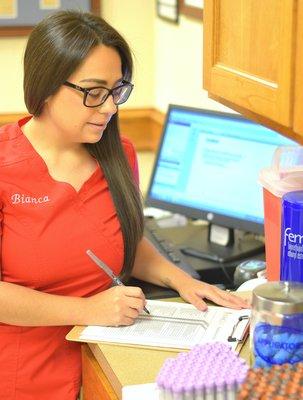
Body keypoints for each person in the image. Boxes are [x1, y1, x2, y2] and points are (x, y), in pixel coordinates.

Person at [0, 10, 249, 400]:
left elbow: (121, 241)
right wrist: (88, 310)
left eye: (117, 91)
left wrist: (180, 280)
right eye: (94, 92)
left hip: (107, 354)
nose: (110, 107)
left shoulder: (119, 154)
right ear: (46, 85)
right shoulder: (4, 167)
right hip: (24, 375)